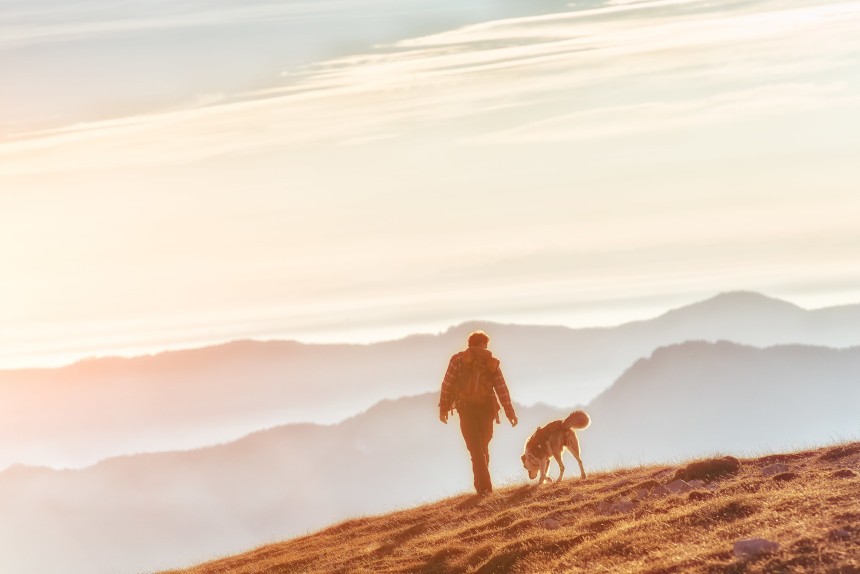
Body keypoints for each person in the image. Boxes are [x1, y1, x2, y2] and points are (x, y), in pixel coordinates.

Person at [439, 330, 518, 495]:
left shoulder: (458, 359)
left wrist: (444, 408)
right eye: (485, 345)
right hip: (487, 409)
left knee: (475, 449)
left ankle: (483, 487)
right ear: (482, 344)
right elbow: (501, 389)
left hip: (465, 409)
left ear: (470, 344)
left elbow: (447, 383)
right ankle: (484, 486)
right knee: (483, 447)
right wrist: (509, 412)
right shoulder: (490, 362)